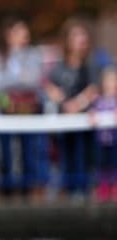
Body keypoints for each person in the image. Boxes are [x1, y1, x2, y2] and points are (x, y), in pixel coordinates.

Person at [0, 18, 46, 197]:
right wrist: (19, 77)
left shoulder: (33, 55)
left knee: (29, 151)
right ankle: (7, 190)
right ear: (8, 34)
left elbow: (35, 80)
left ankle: (27, 190)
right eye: (19, 32)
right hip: (6, 110)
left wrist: (13, 78)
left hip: (28, 110)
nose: (24, 36)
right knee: (5, 152)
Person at [44, 21, 102, 199]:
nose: (81, 40)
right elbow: (50, 86)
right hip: (65, 125)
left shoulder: (91, 65)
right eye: (77, 35)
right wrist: (62, 101)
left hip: (85, 124)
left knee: (85, 160)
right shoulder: (59, 67)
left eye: (83, 35)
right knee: (65, 160)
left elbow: (94, 89)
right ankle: (69, 193)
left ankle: (84, 193)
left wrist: (77, 104)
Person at [92, 66, 117, 201]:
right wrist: (93, 116)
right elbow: (93, 113)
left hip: (114, 139)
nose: (111, 84)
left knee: (114, 163)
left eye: (113, 81)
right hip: (101, 140)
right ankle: (103, 187)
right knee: (102, 164)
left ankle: (114, 187)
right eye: (108, 81)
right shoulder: (99, 100)